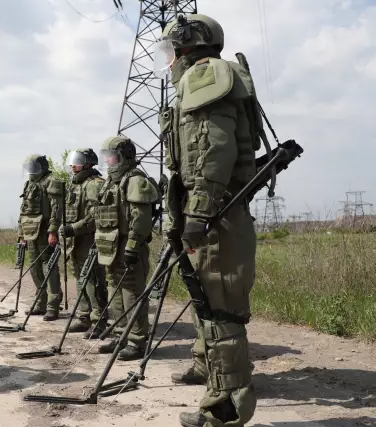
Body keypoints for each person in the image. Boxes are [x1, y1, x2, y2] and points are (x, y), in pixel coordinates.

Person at [156, 13, 260, 427]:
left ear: (188, 44)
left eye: (170, 50)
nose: (167, 60)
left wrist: (198, 212)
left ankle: (226, 409)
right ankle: (212, 374)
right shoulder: (206, 77)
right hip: (214, 210)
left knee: (221, 310)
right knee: (209, 302)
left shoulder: (204, 75)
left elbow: (210, 150)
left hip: (216, 213)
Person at [93, 136, 160, 361]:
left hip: (129, 248)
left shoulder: (134, 181)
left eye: (111, 157)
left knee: (132, 293)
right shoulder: (111, 183)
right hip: (111, 249)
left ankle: (137, 341)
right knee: (115, 292)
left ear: (123, 157)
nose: (108, 161)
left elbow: (140, 218)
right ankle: (121, 335)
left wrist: (132, 245)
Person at [59, 149, 108, 338]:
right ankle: (84, 317)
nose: (73, 165)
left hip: (90, 239)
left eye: (77, 162)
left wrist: (74, 228)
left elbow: (97, 215)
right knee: (81, 278)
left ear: (88, 164)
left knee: (93, 280)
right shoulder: (76, 184)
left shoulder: (94, 185)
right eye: (72, 162)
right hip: (76, 240)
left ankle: (99, 321)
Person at [17, 154, 64, 321]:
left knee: (49, 267)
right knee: (34, 267)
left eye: (34, 167)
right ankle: (40, 303)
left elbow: (56, 208)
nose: (32, 171)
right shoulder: (29, 184)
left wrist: (53, 231)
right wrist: (21, 234)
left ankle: (53, 305)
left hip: (45, 231)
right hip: (31, 232)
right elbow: (24, 210)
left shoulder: (52, 181)